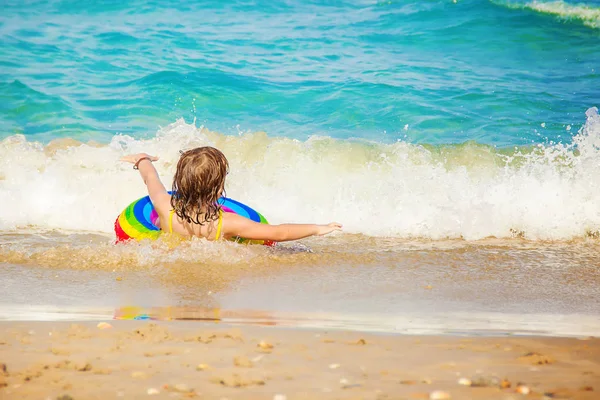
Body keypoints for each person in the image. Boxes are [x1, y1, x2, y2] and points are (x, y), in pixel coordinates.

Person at [120, 147, 342, 242]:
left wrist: (142, 159)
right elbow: (279, 233)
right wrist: (316, 228)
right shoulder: (227, 222)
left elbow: (151, 178)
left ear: (180, 181)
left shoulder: (164, 205)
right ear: (218, 187)